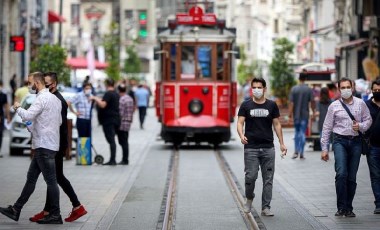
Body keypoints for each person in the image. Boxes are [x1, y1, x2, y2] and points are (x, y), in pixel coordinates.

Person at [0, 72, 63, 224]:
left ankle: (55, 214)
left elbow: (28, 115)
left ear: (37, 82)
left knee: (51, 181)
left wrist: (17, 107)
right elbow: (58, 121)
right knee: (31, 179)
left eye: (30, 83)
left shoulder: (41, 98)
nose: (29, 86)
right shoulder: (55, 99)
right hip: (48, 144)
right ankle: (16, 209)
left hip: (43, 145)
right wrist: (34, 127)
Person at [25, 72, 88, 223]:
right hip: (52, 144)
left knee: (55, 177)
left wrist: (58, 146)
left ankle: (76, 206)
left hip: (55, 145)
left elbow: (58, 125)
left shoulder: (58, 100)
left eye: (46, 84)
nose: (43, 86)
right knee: (53, 178)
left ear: (53, 84)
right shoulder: (51, 98)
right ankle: (49, 210)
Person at [321, 77, 372, 217]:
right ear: (339, 89)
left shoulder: (361, 104)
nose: (345, 90)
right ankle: (341, 207)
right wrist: (324, 148)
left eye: (347, 87)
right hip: (339, 141)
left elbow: (368, 119)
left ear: (353, 87)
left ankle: (349, 207)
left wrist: (360, 126)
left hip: (355, 142)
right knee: (341, 173)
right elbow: (326, 127)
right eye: (342, 87)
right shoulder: (334, 106)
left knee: (351, 177)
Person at [237, 77, 287, 216]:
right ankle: (249, 197)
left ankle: (266, 207)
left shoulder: (271, 105)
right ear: (251, 89)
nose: (257, 90)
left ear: (264, 89)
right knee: (250, 177)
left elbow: (277, 124)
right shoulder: (246, 105)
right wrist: (241, 135)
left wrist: (282, 143)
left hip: (268, 148)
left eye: (259, 87)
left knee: (268, 179)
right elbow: (240, 123)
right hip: (251, 148)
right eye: (254, 87)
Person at [91, 79, 120, 166]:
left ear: (107, 85)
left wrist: (95, 98)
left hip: (109, 120)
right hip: (115, 119)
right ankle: (112, 159)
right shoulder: (116, 93)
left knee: (111, 140)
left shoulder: (108, 93)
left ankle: (112, 160)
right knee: (112, 140)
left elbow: (103, 104)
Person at [288, 72, 316, 159]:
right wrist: (314, 112)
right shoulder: (308, 89)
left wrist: (289, 114)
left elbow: (291, 103)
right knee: (302, 133)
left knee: (296, 132)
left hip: (296, 115)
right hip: (305, 115)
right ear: (306, 79)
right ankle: (302, 152)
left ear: (299, 78)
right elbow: (312, 102)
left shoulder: (294, 89)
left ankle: (296, 150)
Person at [364, 78, 380, 214]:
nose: (377, 92)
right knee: (375, 175)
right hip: (373, 147)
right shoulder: (366, 105)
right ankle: (379, 203)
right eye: (375, 90)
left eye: (379, 91)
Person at [117, 84, 134, 165]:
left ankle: (125, 159)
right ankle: (125, 159)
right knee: (125, 140)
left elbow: (120, 112)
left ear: (119, 90)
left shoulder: (122, 100)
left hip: (122, 122)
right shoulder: (130, 98)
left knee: (123, 142)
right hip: (128, 121)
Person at [0, 81, 11, 158]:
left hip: (1, 116)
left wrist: (8, 116)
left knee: (0, 134)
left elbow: (6, 106)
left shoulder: (3, 95)